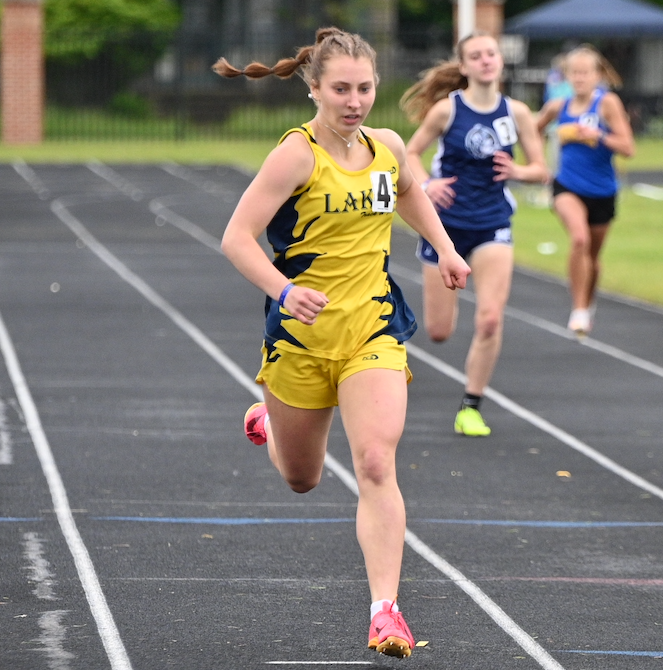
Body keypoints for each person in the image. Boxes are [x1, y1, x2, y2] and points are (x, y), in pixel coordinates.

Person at [214, 27, 470, 658]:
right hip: (301, 339)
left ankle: (385, 610)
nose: (354, 101)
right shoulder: (296, 156)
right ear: (314, 89)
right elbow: (237, 238)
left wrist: (444, 248)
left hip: (372, 331)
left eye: (364, 88)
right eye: (341, 89)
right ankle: (270, 426)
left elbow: (411, 195)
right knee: (301, 478)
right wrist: (283, 290)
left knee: (376, 462)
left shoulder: (386, 146)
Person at [400, 31, 548, 437]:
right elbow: (409, 153)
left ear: (500, 61)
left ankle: (471, 406)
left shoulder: (516, 112)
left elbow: (541, 169)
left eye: (491, 54)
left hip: (493, 224)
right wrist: (429, 183)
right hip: (445, 228)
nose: (486, 61)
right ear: (463, 66)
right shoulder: (447, 111)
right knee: (439, 331)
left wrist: (519, 172)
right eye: (476, 55)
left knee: (488, 320)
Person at [536, 45, 634, 337]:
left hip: (603, 190)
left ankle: (587, 303)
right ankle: (578, 310)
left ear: (597, 75)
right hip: (567, 185)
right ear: (566, 76)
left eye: (585, 73)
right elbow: (533, 129)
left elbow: (628, 147)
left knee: (593, 257)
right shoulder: (558, 107)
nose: (579, 79)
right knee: (579, 239)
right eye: (574, 73)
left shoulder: (607, 104)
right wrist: (539, 163)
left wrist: (599, 135)